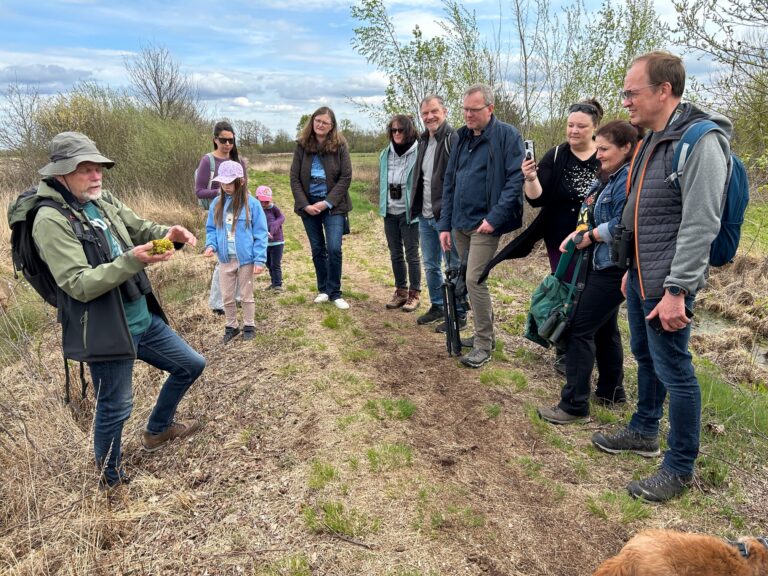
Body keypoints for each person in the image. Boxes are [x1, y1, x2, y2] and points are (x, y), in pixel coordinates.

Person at [591, 51, 730, 502]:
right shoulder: (653, 138)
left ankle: (679, 466)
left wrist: (677, 290)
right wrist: (631, 265)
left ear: (663, 90)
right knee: (645, 356)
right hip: (643, 273)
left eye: (632, 92)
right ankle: (644, 429)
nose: (625, 101)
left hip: (670, 283)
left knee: (675, 368)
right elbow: (640, 211)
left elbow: (699, 223)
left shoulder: (700, 141)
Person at [31, 131, 206, 489]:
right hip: (107, 329)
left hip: (142, 317)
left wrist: (168, 233)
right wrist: (131, 260)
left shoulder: (101, 199)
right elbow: (78, 283)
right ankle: (110, 480)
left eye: (99, 168)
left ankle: (157, 430)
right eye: (86, 169)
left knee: (190, 365)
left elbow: (138, 226)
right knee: (115, 407)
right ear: (60, 173)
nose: (97, 176)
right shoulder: (49, 220)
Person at [536, 120, 643, 425]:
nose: (599, 154)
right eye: (598, 148)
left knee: (580, 328)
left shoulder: (628, 181)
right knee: (605, 327)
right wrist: (582, 230)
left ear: (626, 148)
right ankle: (611, 391)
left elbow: (626, 224)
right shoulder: (606, 177)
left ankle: (574, 405)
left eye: (605, 149)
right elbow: (590, 212)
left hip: (611, 267)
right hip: (596, 262)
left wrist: (592, 235)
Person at [438, 84, 525, 368]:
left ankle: (484, 344)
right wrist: (445, 225)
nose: (468, 114)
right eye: (464, 109)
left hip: (485, 225)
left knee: (475, 279)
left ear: (490, 108)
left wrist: (494, 219)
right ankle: (481, 335)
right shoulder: (461, 138)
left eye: (474, 110)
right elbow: (450, 182)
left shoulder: (507, 136)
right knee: (469, 280)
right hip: (460, 223)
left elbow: (515, 181)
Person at [410, 95, 466, 331]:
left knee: (453, 266)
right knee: (431, 265)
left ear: (444, 111)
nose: (429, 117)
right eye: (425, 113)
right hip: (425, 216)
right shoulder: (423, 141)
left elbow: (459, 179)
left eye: (434, 111)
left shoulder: (453, 139)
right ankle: (438, 306)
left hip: (446, 218)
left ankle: (459, 314)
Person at [290, 107, 353, 310]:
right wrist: (305, 205)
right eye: (317, 121)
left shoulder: (340, 146)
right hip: (308, 207)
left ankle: (335, 292)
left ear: (332, 125)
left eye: (325, 122)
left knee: (334, 248)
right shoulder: (301, 145)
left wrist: (326, 202)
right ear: (312, 121)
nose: (320, 125)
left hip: (333, 206)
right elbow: (294, 177)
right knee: (318, 248)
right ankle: (323, 290)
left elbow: (345, 178)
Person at [204, 161, 267, 342]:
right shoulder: (216, 203)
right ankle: (231, 326)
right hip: (225, 259)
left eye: (229, 183)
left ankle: (249, 324)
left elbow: (261, 234)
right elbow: (211, 229)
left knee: (246, 295)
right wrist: (211, 245)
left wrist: (259, 260)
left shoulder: (252, 205)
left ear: (240, 182)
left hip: (246, 260)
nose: (226, 187)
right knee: (227, 295)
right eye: (222, 183)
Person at [196, 121, 248, 316]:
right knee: (223, 260)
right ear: (215, 140)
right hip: (218, 214)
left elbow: (244, 187)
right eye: (223, 140)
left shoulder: (239, 161)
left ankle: (236, 298)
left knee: (239, 256)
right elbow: (199, 191)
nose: (227, 144)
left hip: (238, 214)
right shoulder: (208, 161)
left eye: (231, 140)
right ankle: (218, 303)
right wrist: (222, 191)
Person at [378, 114, 421, 312]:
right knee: (395, 253)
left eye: (400, 130)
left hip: (409, 212)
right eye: (393, 130)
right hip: (390, 211)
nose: (396, 134)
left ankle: (414, 294)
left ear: (409, 130)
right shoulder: (385, 154)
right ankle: (400, 291)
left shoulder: (419, 151)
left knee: (412, 254)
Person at [256, 185, 286, 292]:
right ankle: (273, 283)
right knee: (268, 263)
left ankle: (278, 285)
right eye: (262, 201)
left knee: (275, 264)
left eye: (266, 201)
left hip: (277, 242)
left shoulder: (273, 208)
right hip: (264, 243)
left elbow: (282, 217)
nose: (264, 203)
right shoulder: (256, 209)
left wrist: (274, 225)